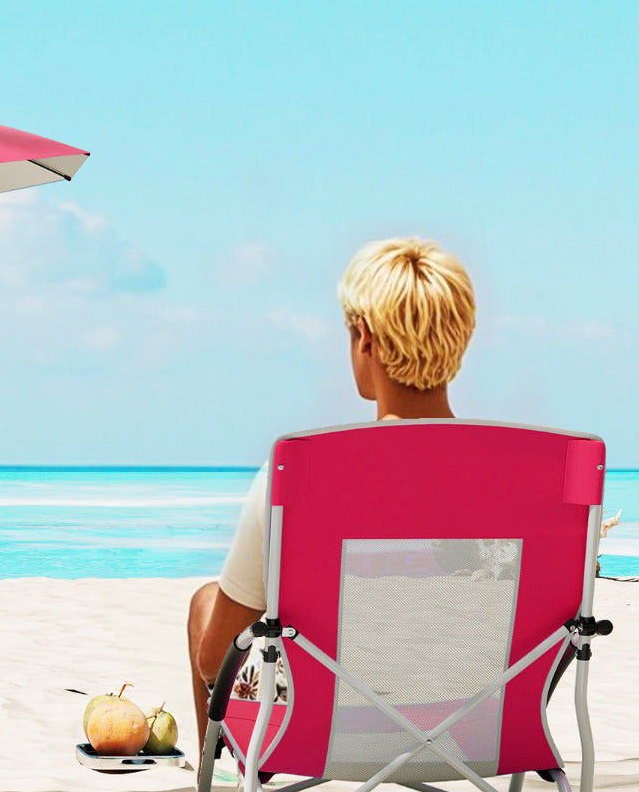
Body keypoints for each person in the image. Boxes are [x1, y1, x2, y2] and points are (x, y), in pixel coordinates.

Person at [186, 238, 478, 750]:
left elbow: (215, 661)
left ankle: (234, 782)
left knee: (206, 603)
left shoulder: (299, 472)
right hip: (477, 723)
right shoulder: (519, 471)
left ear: (364, 338)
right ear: (462, 337)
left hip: (320, 733)